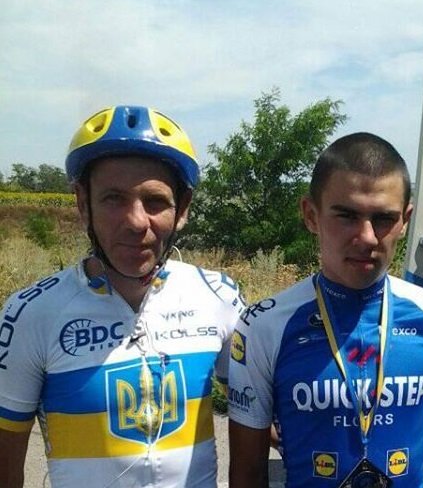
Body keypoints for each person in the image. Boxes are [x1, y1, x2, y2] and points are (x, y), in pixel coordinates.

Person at [0, 106, 244, 487]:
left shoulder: (219, 297)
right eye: (113, 198)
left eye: (156, 201)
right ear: (83, 204)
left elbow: (262, 416)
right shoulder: (31, 314)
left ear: (183, 209)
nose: (135, 221)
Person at [227, 132, 423, 487]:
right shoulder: (263, 325)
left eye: (384, 218)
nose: (368, 237)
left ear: (405, 220)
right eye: (346, 216)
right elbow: (248, 471)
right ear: (310, 215)